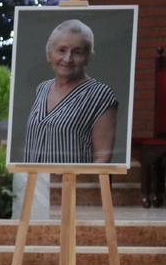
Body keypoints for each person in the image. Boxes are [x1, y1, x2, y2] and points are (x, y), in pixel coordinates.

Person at [23, 19, 118, 164]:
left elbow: (102, 158)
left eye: (77, 52)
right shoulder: (42, 88)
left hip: (73, 179)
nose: (68, 59)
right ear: (49, 54)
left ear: (87, 58)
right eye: (61, 50)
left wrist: (82, 180)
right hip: (33, 178)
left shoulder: (101, 95)